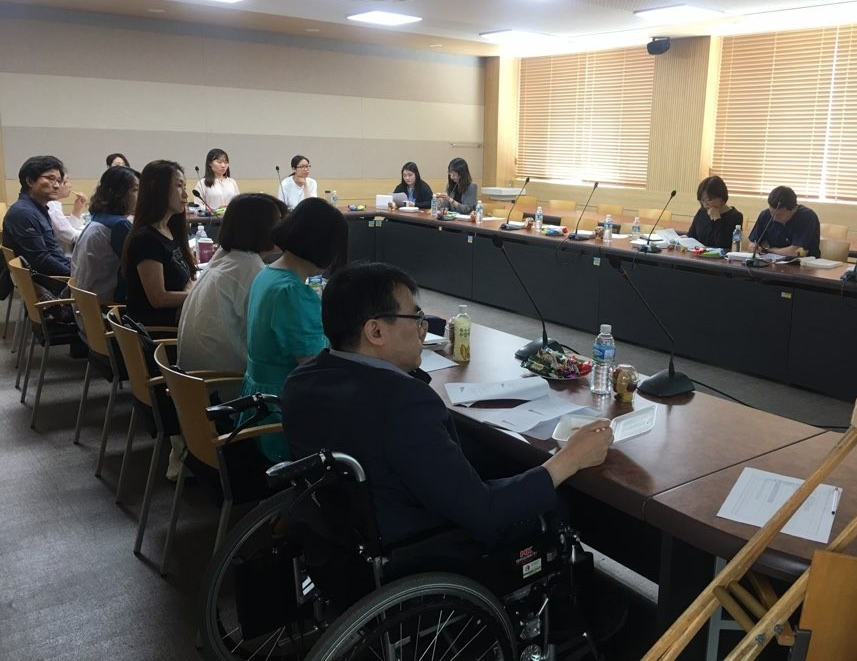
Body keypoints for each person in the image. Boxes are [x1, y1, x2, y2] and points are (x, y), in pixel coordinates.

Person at [282, 262, 613, 549]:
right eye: (416, 318)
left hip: (341, 539)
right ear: (376, 331)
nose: (422, 330)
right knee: (555, 504)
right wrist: (570, 458)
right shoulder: (403, 402)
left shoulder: (301, 381)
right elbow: (482, 509)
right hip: (419, 546)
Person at [241, 197, 348, 462]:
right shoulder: (292, 292)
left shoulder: (268, 274)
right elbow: (315, 368)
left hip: (257, 402)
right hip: (283, 409)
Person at [177, 193, 288, 375]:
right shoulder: (250, 269)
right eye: (279, 221)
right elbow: (277, 337)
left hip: (192, 380)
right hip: (224, 382)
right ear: (258, 228)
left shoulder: (226, 256)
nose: (285, 229)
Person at [121, 160, 196, 327]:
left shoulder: (170, 230)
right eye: (179, 186)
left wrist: (185, 297)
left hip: (179, 320)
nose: (185, 195)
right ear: (158, 189)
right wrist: (197, 295)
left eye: (184, 187)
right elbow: (158, 298)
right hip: (157, 332)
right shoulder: (146, 239)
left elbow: (188, 278)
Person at [72, 165, 140, 304]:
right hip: (108, 309)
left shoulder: (98, 219)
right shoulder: (118, 226)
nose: (141, 196)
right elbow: (142, 268)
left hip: (86, 307)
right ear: (119, 194)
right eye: (135, 190)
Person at [3, 156, 72, 277]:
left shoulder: (39, 209)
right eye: (51, 178)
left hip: (52, 275)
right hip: (44, 282)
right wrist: (75, 274)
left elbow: (53, 252)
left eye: (59, 181)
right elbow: (41, 261)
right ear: (30, 181)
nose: (57, 186)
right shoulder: (23, 213)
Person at [748, 186, 821, 258]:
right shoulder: (765, 215)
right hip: (770, 262)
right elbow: (752, 242)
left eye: (779, 215)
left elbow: (795, 251)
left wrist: (769, 249)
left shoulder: (807, 216)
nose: (774, 218)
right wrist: (753, 247)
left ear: (794, 209)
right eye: (771, 213)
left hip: (804, 263)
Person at [686, 175, 743, 249]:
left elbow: (724, 245)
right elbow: (691, 236)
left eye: (708, 199)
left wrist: (717, 219)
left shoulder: (735, 216)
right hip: (698, 254)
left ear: (721, 198)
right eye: (702, 200)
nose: (705, 204)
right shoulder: (702, 212)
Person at [46, 175, 87, 255]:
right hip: (62, 256)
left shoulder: (54, 204)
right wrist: (94, 236)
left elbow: (69, 228)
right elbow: (70, 235)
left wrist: (77, 209)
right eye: (65, 182)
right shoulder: (52, 206)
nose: (69, 185)